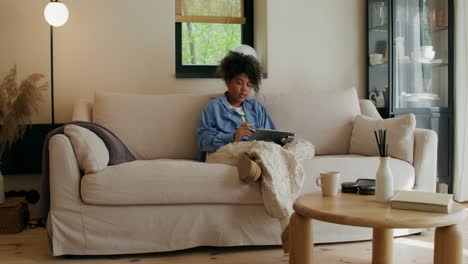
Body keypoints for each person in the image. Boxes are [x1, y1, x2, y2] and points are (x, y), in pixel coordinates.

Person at [195, 45, 312, 252]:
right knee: (264, 149)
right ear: (228, 81)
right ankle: (287, 222)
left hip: (258, 149)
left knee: (306, 146)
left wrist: (282, 141)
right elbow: (202, 140)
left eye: (249, 84)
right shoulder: (213, 106)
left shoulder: (256, 107)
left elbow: (271, 135)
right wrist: (233, 135)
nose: (244, 89)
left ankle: (256, 167)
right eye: (239, 83)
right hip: (224, 151)